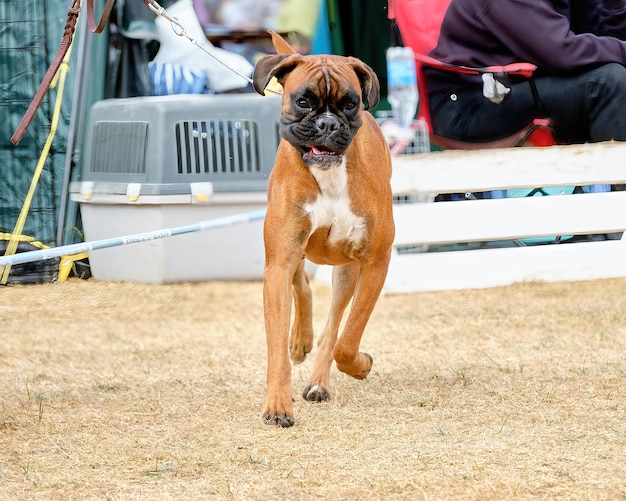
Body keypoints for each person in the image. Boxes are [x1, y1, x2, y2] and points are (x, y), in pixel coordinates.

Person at [424, 0, 626, 144]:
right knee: (608, 83)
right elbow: (562, 52)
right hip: (466, 105)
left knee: (608, 75)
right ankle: (616, 191)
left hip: (513, 87)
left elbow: (601, 38)